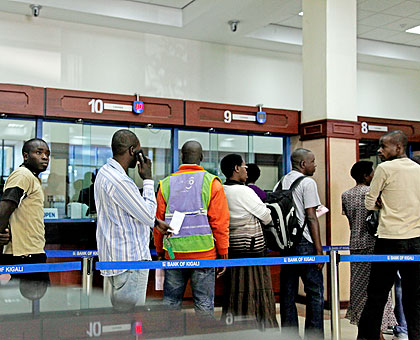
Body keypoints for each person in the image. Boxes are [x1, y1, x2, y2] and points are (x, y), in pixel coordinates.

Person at [95, 129, 169, 311]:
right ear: (132, 150)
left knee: (121, 319)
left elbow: (134, 213)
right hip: (131, 261)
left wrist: (155, 223)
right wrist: (148, 179)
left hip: (116, 259)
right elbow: (148, 213)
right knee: (132, 319)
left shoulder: (104, 174)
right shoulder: (120, 181)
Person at [154, 140, 229, 317]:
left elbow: (157, 222)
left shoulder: (166, 184)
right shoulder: (212, 183)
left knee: (171, 304)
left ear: (182, 157)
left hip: (174, 254)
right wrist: (223, 250)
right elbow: (220, 221)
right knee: (204, 304)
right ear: (201, 158)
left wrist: (159, 250)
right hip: (204, 254)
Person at [358, 130, 420, 340]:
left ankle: (368, 337)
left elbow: (368, 202)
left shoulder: (384, 169)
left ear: (399, 148)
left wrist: (382, 202)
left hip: (389, 239)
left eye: (384, 146)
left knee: (377, 294)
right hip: (416, 240)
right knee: (415, 295)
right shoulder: (418, 169)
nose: (379, 150)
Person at [220, 154, 278, 330]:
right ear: (236, 169)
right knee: (256, 287)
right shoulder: (245, 191)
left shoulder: (221, 189)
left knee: (235, 289)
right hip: (253, 249)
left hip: (232, 248)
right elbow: (266, 217)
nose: (247, 170)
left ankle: (234, 325)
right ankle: (259, 326)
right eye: (244, 166)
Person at [273, 148, 324, 340]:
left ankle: (289, 335)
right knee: (314, 291)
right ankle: (314, 335)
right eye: (312, 161)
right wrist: (319, 250)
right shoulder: (307, 182)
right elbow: (311, 217)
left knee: (288, 292)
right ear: (303, 164)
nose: (315, 165)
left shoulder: (281, 182)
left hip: (286, 244)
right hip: (305, 243)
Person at [342, 161, 396, 338]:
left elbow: (350, 220)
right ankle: (377, 331)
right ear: (366, 175)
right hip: (374, 244)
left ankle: (362, 329)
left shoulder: (346, 195)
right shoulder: (372, 193)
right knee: (377, 290)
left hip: (355, 245)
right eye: (372, 173)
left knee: (358, 289)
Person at [0, 138, 50, 287]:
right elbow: (6, 206)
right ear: (26, 155)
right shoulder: (23, 175)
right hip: (24, 256)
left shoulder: (32, 177)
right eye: (38, 152)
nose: (45, 157)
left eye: (47, 153)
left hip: (31, 253)